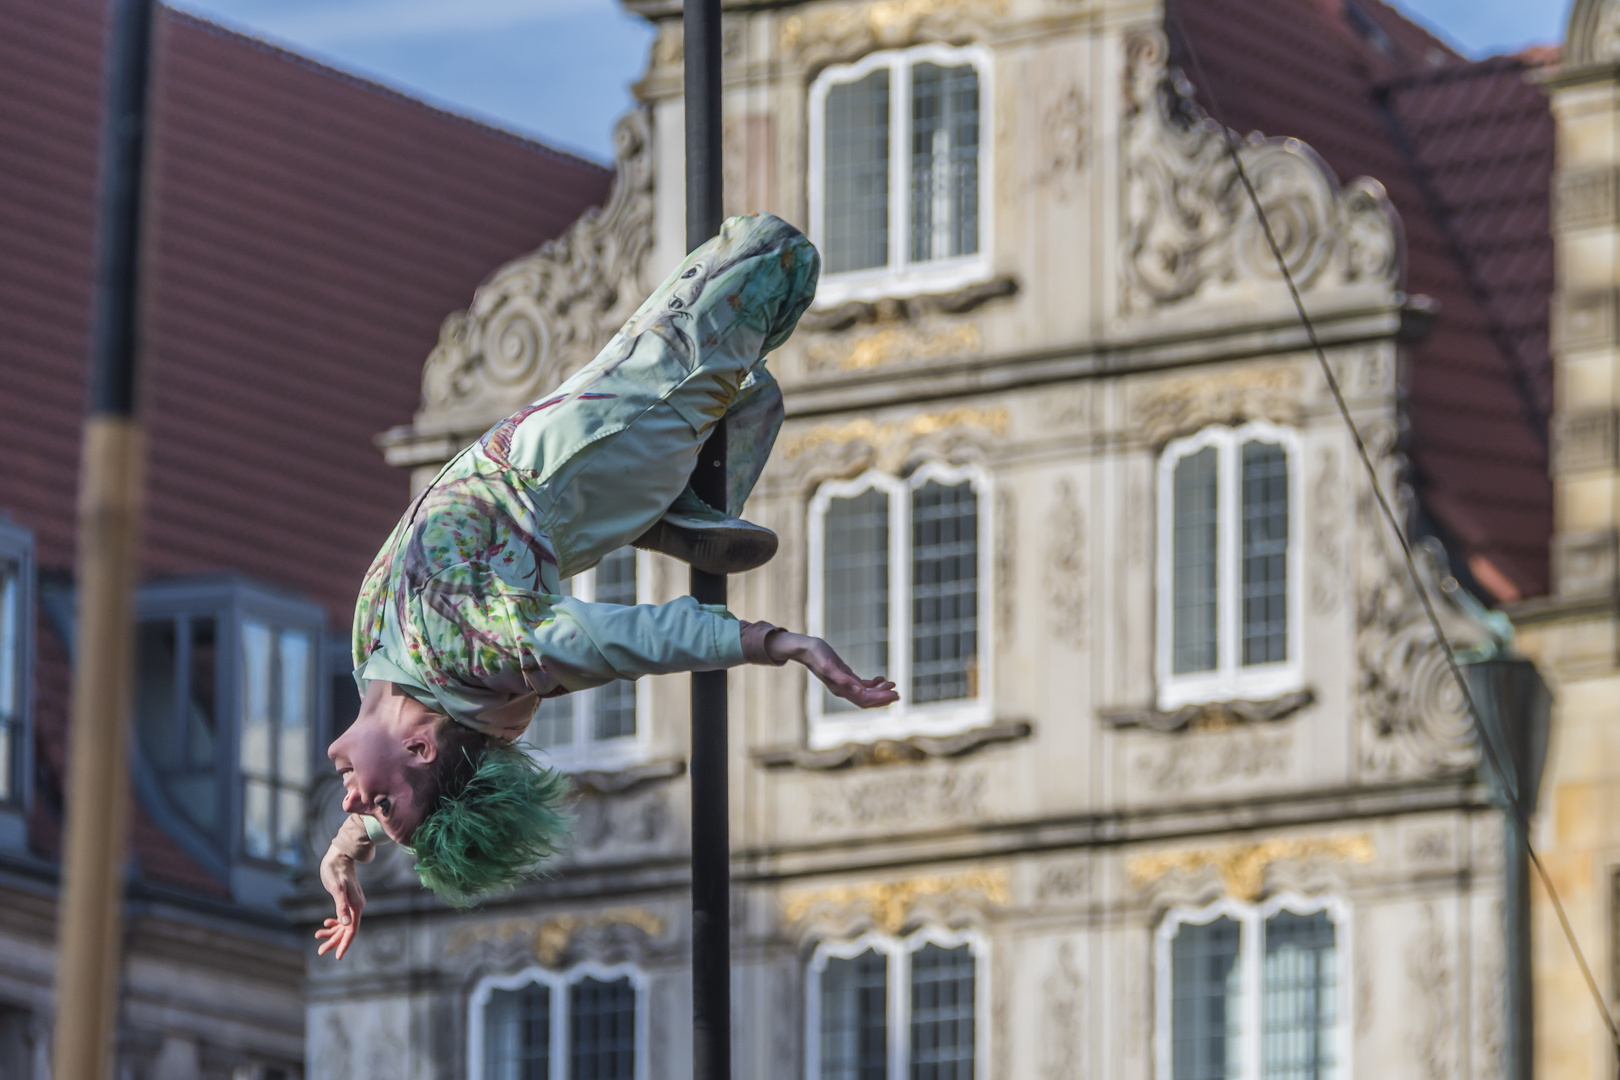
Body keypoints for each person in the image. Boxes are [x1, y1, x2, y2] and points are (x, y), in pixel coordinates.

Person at [315, 213, 898, 960]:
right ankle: (676, 490)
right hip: (604, 443)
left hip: (568, 462)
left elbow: (399, 784)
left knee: (736, 374)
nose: (354, 799)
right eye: (378, 804)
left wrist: (347, 849)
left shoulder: (383, 668)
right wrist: (776, 643)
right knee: (769, 258)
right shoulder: (489, 655)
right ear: (424, 749)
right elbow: (629, 642)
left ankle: (680, 502)